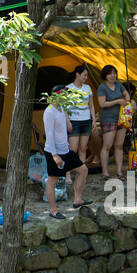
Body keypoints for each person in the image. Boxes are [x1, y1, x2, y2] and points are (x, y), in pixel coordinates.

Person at [42, 89, 89, 217]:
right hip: (54, 151)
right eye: (64, 95)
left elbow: (69, 129)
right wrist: (54, 155)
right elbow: (49, 134)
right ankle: (53, 210)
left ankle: (77, 199)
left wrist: (67, 119)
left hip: (66, 150)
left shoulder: (62, 108)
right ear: (56, 96)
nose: (66, 98)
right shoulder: (49, 112)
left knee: (83, 170)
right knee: (53, 180)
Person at [96, 65, 129, 177]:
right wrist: (118, 101)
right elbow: (102, 104)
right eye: (110, 73)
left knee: (119, 145)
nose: (112, 75)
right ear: (105, 75)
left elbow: (126, 94)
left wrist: (126, 99)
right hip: (108, 119)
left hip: (121, 118)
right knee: (107, 145)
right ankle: (105, 171)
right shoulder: (102, 87)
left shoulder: (118, 84)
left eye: (114, 73)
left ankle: (119, 171)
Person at [64, 65, 95, 160]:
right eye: (84, 75)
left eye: (87, 76)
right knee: (73, 149)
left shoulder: (88, 88)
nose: (86, 78)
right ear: (77, 74)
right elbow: (65, 107)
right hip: (74, 121)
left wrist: (93, 119)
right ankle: (68, 173)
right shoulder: (68, 88)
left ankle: (82, 172)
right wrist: (68, 121)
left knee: (83, 149)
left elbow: (91, 105)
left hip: (86, 121)